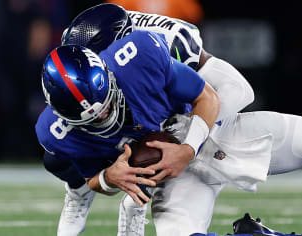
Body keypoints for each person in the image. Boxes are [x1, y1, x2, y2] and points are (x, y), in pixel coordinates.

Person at [42, 3, 254, 236]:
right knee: (56, 159)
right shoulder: (88, 67)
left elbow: (228, 92)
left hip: (177, 103)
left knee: (156, 145)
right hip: (126, 105)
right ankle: (77, 193)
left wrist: (182, 136)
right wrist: (102, 177)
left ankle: (138, 200)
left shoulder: (165, 45)